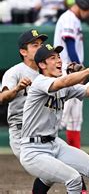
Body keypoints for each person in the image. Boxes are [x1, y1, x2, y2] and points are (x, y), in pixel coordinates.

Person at [20, 47, 89, 193]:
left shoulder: (63, 86)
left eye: (59, 56)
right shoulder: (40, 82)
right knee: (73, 179)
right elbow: (64, 81)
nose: (59, 60)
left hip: (55, 144)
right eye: (53, 58)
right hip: (34, 150)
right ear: (42, 65)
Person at [0, 30, 55, 193]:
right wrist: (17, 88)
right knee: (49, 170)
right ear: (23, 52)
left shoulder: (47, 70)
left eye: (41, 45)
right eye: (34, 45)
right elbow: (2, 97)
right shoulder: (15, 72)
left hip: (44, 130)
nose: (40, 48)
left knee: (59, 169)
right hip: (21, 131)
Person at [54, 0, 89, 149]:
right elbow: (70, 44)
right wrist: (80, 71)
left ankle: (76, 158)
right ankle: (43, 155)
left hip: (73, 70)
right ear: (84, 4)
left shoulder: (74, 19)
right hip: (68, 70)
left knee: (74, 120)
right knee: (61, 119)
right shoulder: (68, 18)